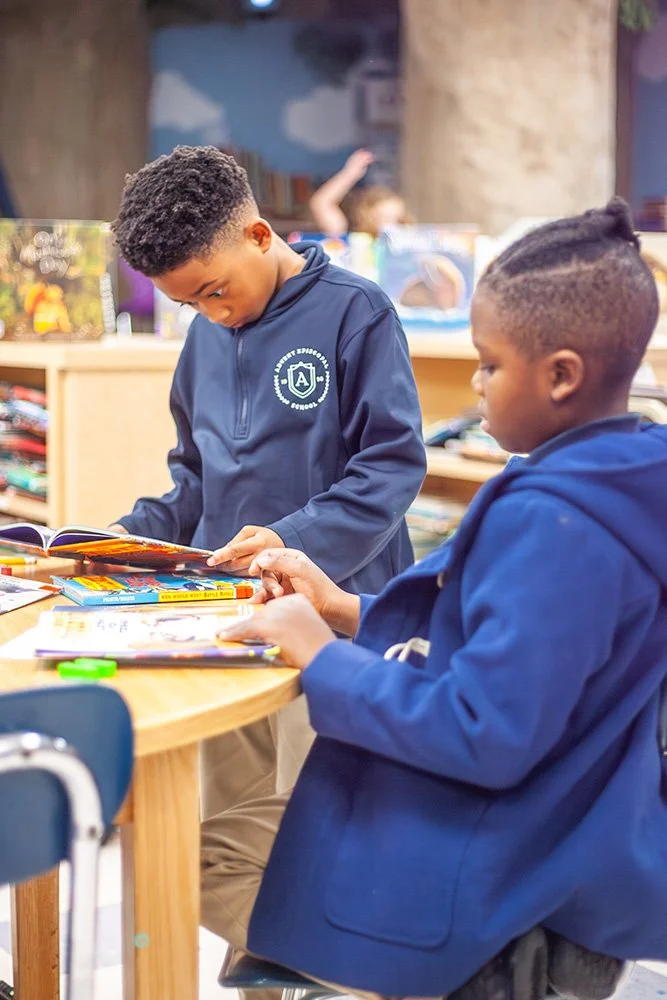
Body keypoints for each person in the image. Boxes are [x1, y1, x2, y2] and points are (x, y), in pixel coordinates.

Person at [201, 198, 667, 1000]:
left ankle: (432, 979)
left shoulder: (555, 520)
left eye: (487, 365)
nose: (476, 387)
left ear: (560, 375)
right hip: (562, 828)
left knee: (205, 849)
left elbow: (482, 731)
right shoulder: (614, 477)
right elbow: (489, 634)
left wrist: (319, 657)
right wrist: (344, 610)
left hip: (503, 873)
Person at [110, 144, 426, 817]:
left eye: (215, 290)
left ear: (260, 236)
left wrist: (289, 540)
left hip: (333, 617)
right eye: (189, 302)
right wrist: (122, 535)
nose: (211, 313)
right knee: (229, 815)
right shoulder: (203, 338)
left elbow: (391, 466)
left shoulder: (356, 311)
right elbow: (193, 477)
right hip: (227, 617)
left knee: (309, 815)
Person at [309, 148, 408, 238]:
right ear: (366, 216)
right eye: (383, 218)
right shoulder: (349, 238)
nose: (390, 225)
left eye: (398, 220)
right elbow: (321, 203)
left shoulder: (407, 243)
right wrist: (350, 174)